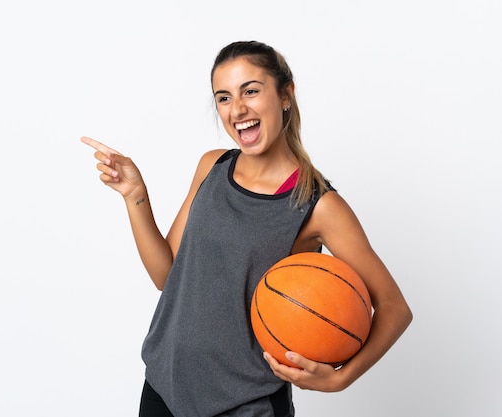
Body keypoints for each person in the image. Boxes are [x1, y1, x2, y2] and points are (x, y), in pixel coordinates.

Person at [81, 40, 412, 417]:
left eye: (250, 91)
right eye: (223, 98)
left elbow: (394, 307)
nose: (237, 109)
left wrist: (338, 379)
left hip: (245, 404)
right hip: (163, 388)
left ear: (285, 94)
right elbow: (166, 276)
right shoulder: (212, 167)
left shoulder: (318, 206)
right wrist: (135, 195)